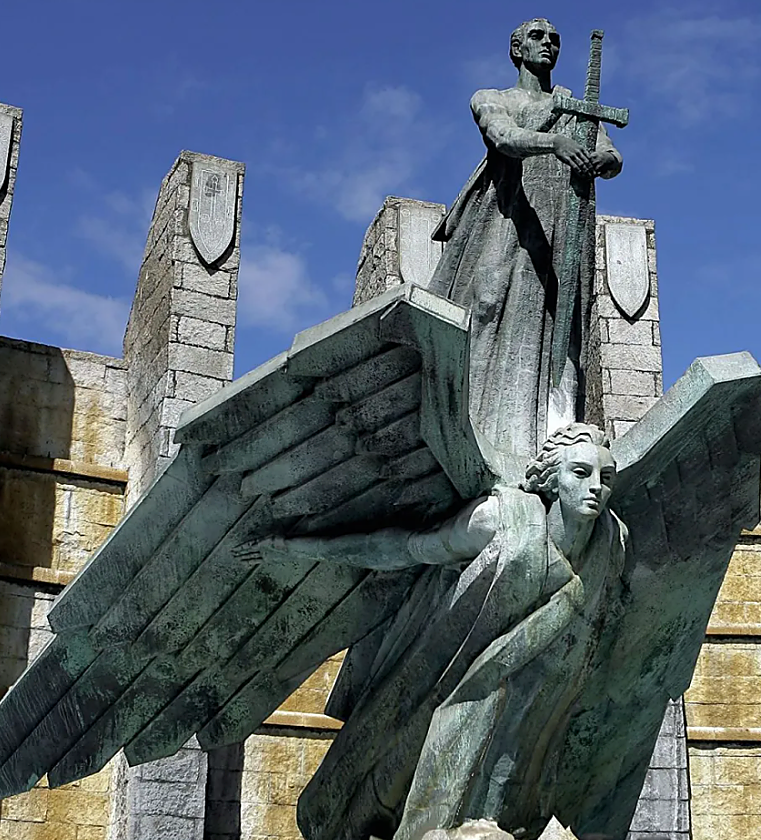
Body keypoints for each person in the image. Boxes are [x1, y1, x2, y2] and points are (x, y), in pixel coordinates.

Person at [235, 423, 626, 839]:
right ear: (551, 479)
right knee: (378, 781)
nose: (597, 488)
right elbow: (403, 548)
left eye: (606, 478)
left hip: (529, 719)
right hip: (437, 678)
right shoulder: (501, 519)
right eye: (581, 473)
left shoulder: (611, 544)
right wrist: (297, 546)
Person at [427, 18, 622, 459]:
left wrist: (600, 160)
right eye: (537, 37)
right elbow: (504, 137)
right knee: (487, 304)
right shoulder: (491, 98)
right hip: (508, 218)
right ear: (516, 49)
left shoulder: (575, 107)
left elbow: (611, 153)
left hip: (562, 225)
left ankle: (552, 433)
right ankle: (469, 421)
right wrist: (554, 143)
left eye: (555, 39)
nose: (548, 45)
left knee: (560, 324)